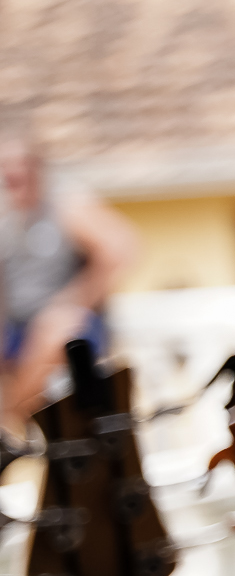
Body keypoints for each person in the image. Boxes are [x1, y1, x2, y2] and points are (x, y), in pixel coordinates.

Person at [1, 125, 137, 427]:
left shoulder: (67, 206)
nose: (11, 173)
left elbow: (123, 250)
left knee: (55, 331)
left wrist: (73, 301)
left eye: (18, 164)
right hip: (19, 328)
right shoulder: (6, 218)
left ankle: (14, 421)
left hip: (71, 327)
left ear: (36, 167)